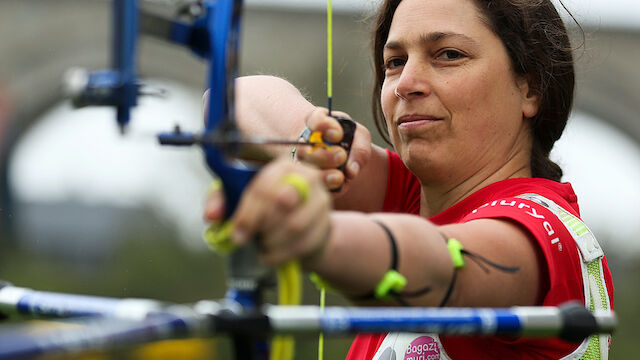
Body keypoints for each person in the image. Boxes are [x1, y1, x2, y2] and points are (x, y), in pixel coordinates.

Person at [204, 0, 614, 358]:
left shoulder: (544, 234)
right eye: (394, 62)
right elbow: (227, 102)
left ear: (531, 87)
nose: (406, 84)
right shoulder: (407, 196)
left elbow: (439, 265)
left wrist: (318, 236)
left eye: (448, 54)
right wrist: (311, 141)